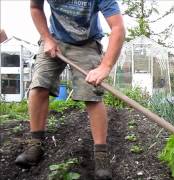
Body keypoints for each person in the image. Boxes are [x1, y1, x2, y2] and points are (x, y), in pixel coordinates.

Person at [14, 0, 125, 179]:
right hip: (53, 39)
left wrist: (105, 66)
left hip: (86, 43)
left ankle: (101, 155)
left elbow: (118, 27)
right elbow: (35, 7)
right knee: (39, 86)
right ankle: (35, 144)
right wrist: (47, 38)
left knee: (92, 94)